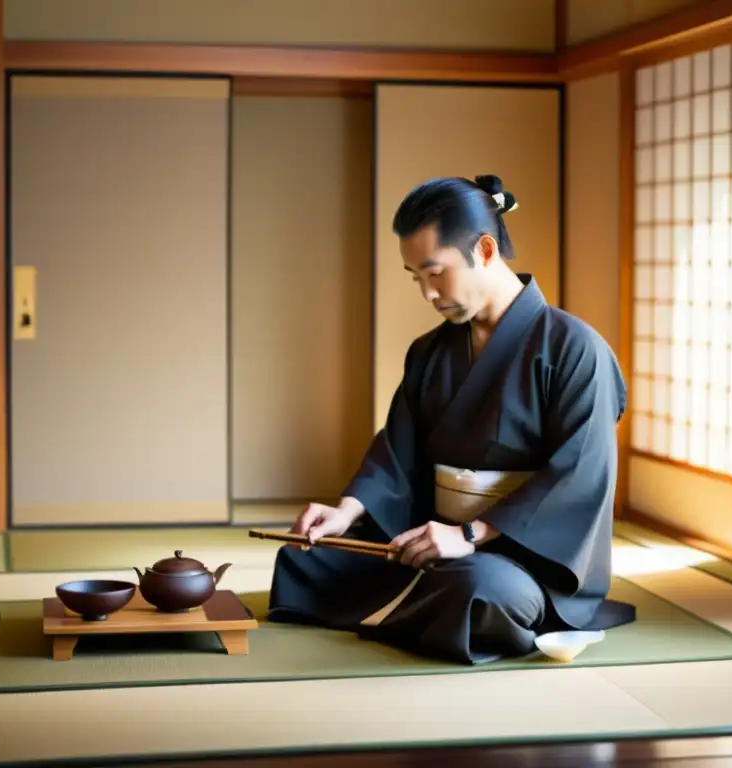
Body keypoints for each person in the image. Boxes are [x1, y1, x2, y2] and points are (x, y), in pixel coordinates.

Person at [265, 174, 635, 665]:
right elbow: (397, 449)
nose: (427, 293)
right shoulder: (430, 352)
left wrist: (467, 536)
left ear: (484, 250)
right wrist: (348, 511)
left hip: (522, 555)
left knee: (477, 588)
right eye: (415, 277)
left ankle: (429, 603)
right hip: (433, 538)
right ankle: (422, 604)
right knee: (303, 556)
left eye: (435, 273)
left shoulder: (574, 349)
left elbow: (578, 476)